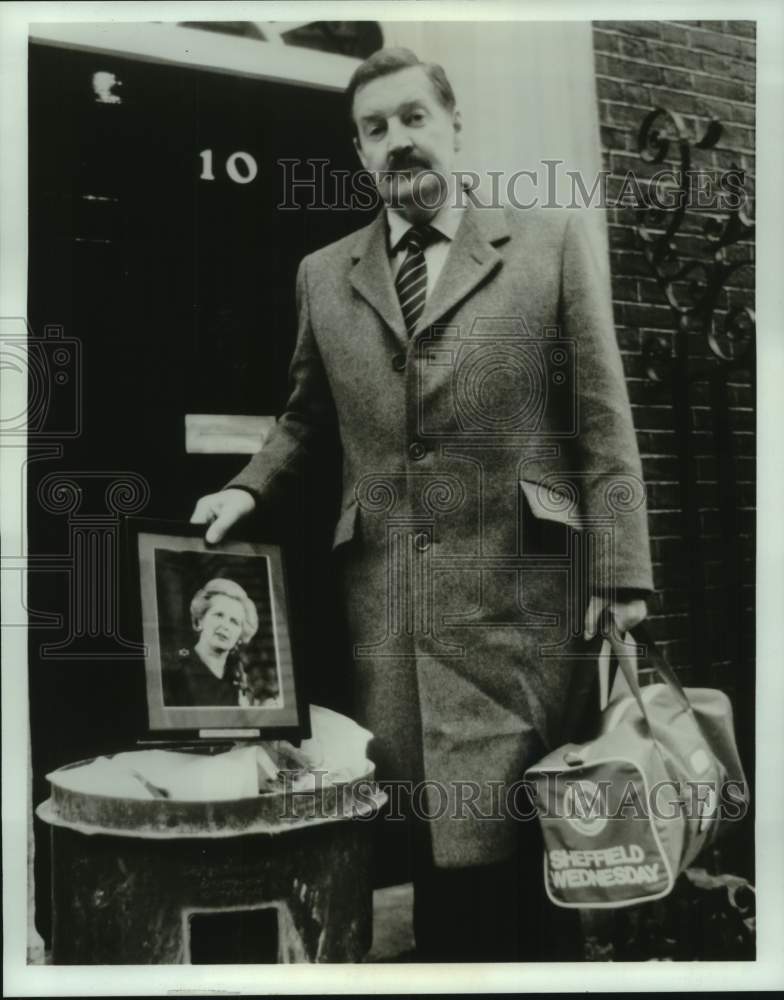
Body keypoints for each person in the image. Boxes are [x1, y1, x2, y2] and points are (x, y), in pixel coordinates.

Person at [191, 48, 653, 960]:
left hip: (523, 605)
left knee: (532, 843)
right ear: (359, 153)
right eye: (375, 129)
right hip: (394, 613)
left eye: (412, 118)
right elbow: (305, 419)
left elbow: (603, 420)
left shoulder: (547, 244)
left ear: (451, 125)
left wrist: (623, 574)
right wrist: (245, 488)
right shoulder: (325, 277)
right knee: (438, 850)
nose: (397, 141)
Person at [162, 578, 259, 707]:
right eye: (219, 615)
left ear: (240, 635)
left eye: (234, 621)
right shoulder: (170, 671)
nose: (225, 626)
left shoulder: (240, 679)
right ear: (199, 621)